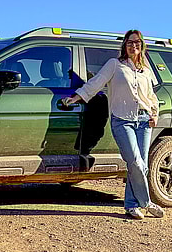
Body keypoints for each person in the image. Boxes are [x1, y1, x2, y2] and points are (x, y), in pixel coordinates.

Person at [61, 29, 165, 220]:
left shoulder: (146, 71)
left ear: (142, 45)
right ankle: (146, 202)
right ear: (124, 45)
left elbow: (151, 96)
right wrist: (76, 97)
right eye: (130, 42)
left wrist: (155, 114)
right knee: (135, 162)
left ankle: (131, 205)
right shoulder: (115, 65)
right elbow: (96, 83)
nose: (133, 46)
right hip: (122, 120)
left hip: (144, 120)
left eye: (137, 42)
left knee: (141, 165)